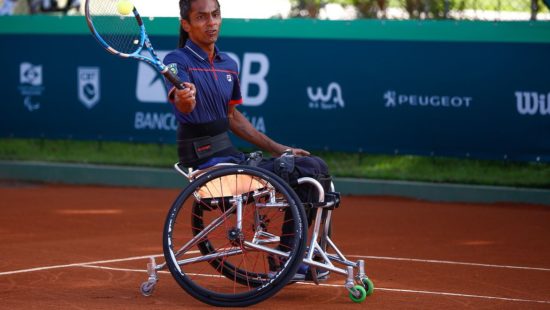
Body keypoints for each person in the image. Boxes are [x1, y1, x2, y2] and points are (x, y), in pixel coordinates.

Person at [163, 0, 331, 281]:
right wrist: (184, 99)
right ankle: (286, 258)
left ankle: (288, 254)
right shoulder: (176, 61)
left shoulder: (229, 64)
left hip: (231, 157)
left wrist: (282, 149)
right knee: (309, 172)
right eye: (201, 17)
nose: (211, 23)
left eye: (215, 15)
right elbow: (182, 102)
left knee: (312, 165)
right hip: (207, 161)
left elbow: (233, 118)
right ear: (186, 24)